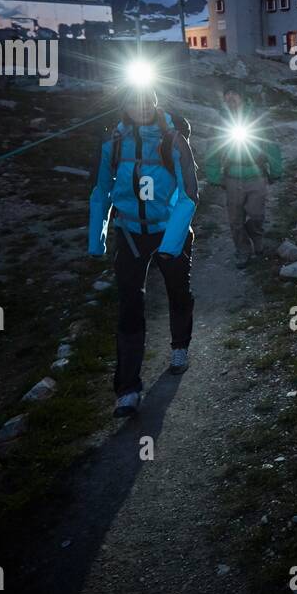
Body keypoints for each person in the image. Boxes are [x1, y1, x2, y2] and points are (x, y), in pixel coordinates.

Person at [88, 84, 199, 418]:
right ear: (124, 105)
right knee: (129, 307)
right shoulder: (113, 143)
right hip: (130, 234)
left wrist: (171, 242)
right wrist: (98, 238)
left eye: (147, 99)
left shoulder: (173, 139)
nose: (142, 106)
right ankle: (127, 389)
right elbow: (101, 191)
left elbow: (189, 192)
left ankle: (179, 346)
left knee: (178, 292)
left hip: (170, 232)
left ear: (154, 100)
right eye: (134, 101)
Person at [204, 87, 281, 268]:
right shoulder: (220, 121)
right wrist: (213, 175)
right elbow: (212, 149)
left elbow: (271, 145)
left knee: (256, 214)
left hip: (256, 174)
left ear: (242, 96)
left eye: (234, 93)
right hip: (232, 176)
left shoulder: (256, 118)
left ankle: (256, 237)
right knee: (235, 219)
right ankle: (243, 251)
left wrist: (276, 170)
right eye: (227, 94)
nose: (230, 97)